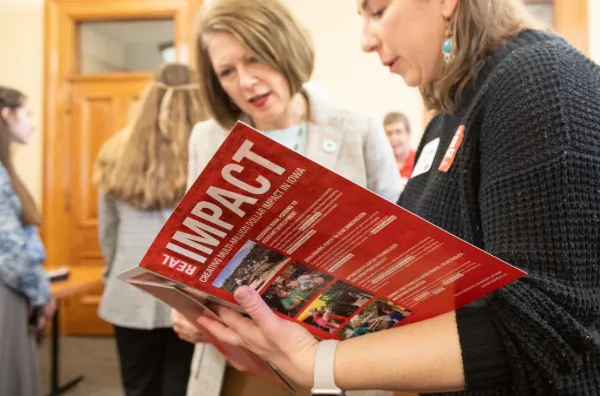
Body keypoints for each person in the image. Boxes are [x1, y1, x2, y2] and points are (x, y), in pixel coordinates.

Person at [187, 0, 600, 395]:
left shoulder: (540, 78)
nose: (366, 39)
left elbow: (543, 320)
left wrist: (321, 362)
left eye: (380, 11)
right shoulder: (448, 113)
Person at [169, 0, 402, 395]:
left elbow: (397, 245)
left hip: (335, 355)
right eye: (227, 71)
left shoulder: (357, 129)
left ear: (284, 49)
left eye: (255, 59)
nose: (245, 81)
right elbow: (192, 247)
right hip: (240, 354)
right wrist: (182, 305)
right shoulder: (206, 138)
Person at [94, 63, 205, 396]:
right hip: (191, 293)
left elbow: (108, 232)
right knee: (184, 385)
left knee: (138, 384)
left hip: (130, 286)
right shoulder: (209, 149)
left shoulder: (116, 151)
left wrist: (111, 270)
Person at [0, 86, 55, 396]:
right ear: (7, 116)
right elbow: (13, 255)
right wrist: (41, 295)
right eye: (28, 113)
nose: (33, 122)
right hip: (7, 292)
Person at [382, 111, 415, 189]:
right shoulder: (380, 167)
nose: (394, 138)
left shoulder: (419, 162)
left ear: (408, 134)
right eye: (389, 133)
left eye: (398, 132)